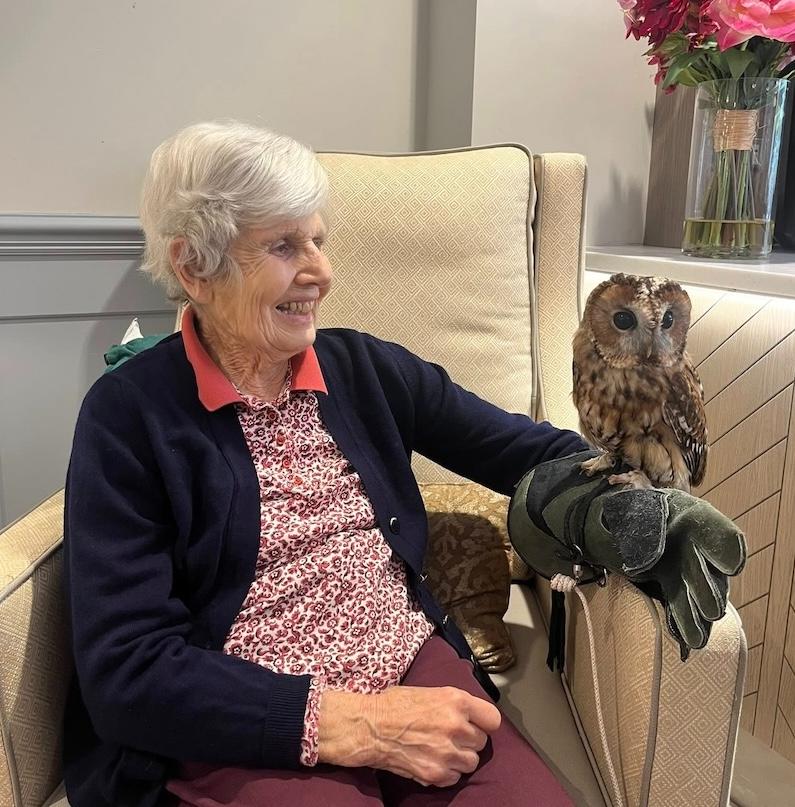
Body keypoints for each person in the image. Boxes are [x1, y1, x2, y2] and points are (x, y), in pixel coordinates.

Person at [63, 120, 587, 807]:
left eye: (318, 239)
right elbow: (126, 669)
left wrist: (621, 501)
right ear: (194, 266)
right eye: (283, 246)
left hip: (408, 660)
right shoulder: (129, 415)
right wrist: (346, 724)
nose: (321, 271)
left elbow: (532, 453)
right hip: (243, 704)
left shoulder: (364, 367)